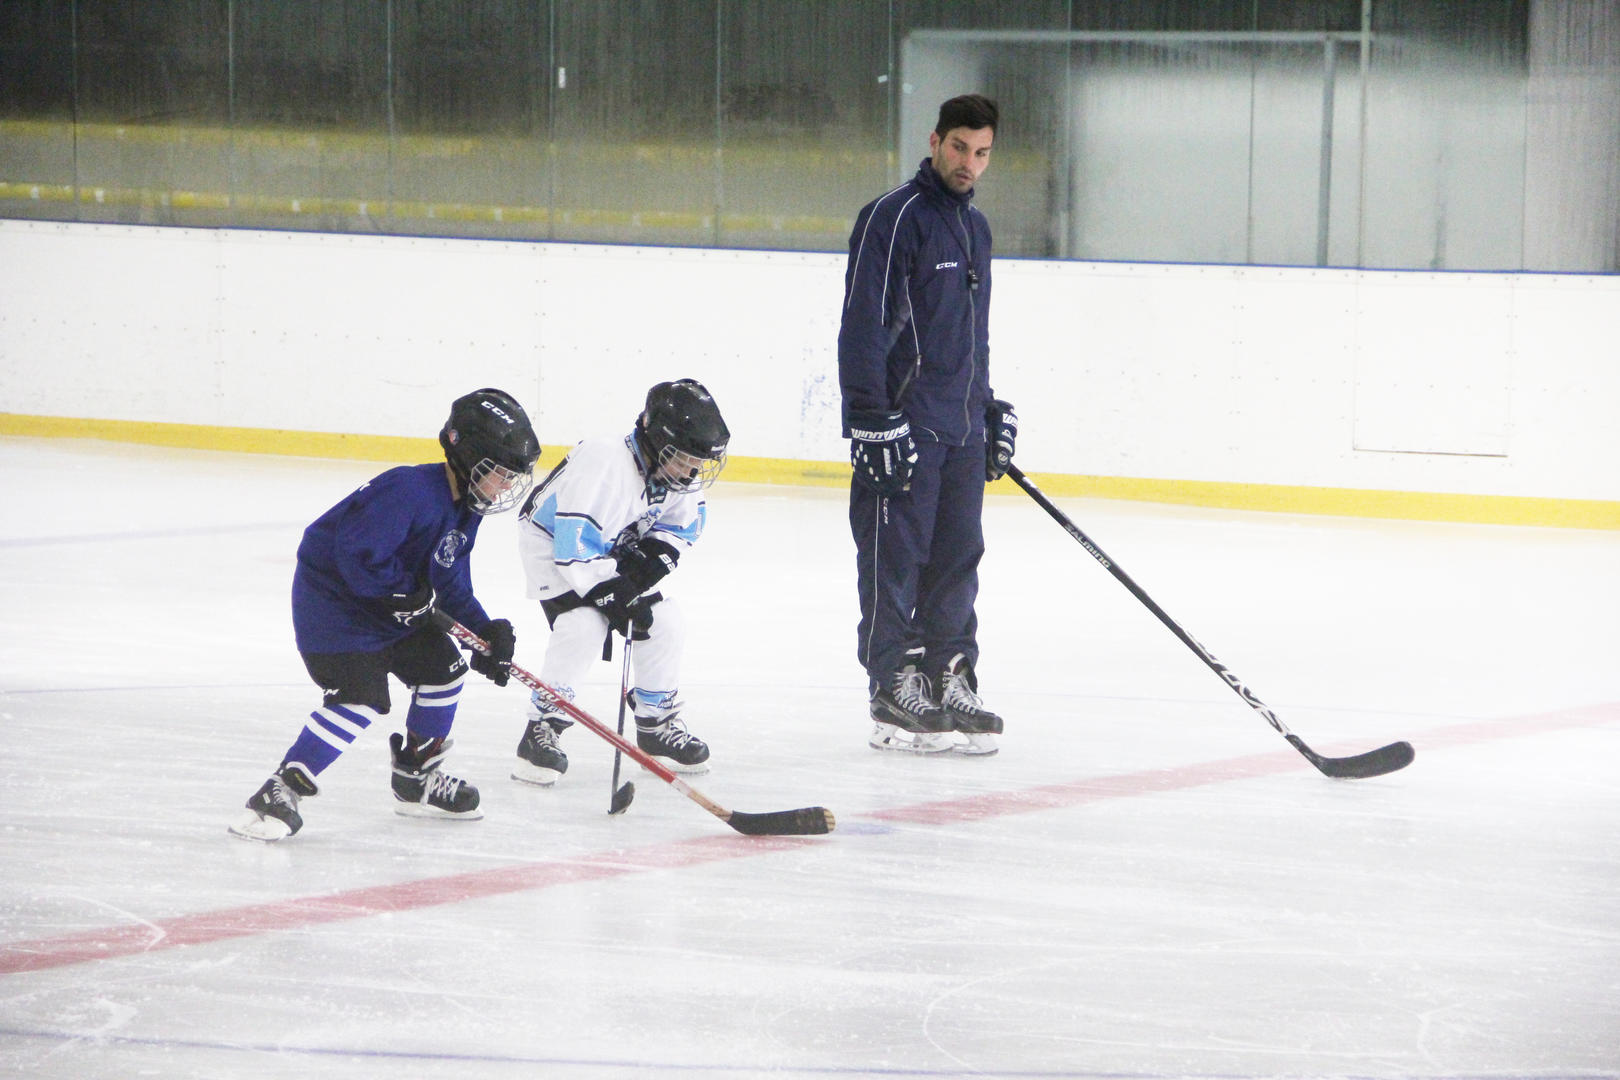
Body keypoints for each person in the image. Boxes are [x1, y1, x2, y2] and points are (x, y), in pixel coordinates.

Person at [229, 388, 541, 841]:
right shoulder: (408, 490)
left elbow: (449, 582)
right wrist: (399, 592)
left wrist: (485, 632)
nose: (506, 486)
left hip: (392, 609)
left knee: (444, 671)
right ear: (469, 457)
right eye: (500, 473)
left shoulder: (465, 510)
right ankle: (279, 791)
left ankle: (416, 779)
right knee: (359, 697)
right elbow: (355, 552)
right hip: (336, 608)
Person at [836, 93, 1019, 756]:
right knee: (895, 561)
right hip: (905, 426)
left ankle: (949, 674)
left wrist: (986, 407)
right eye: (960, 147)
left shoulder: (976, 230)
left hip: (960, 428)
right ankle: (893, 683)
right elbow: (864, 324)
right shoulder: (893, 217)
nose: (970, 162)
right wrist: (870, 417)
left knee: (957, 560)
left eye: (982, 152)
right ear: (936, 141)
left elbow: (973, 334)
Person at [510, 378, 729, 785]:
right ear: (657, 441)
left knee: (665, 621)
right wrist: (610, 592)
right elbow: (573, 547)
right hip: (552, 546)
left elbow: (682, 526)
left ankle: (655, 725)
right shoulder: (605, 461)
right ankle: (542, 727)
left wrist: (649, 563)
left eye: (698, 462)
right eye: (685, 458)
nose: (692, 471)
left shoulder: (674, 468)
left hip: (612, 545)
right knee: (584, 625)